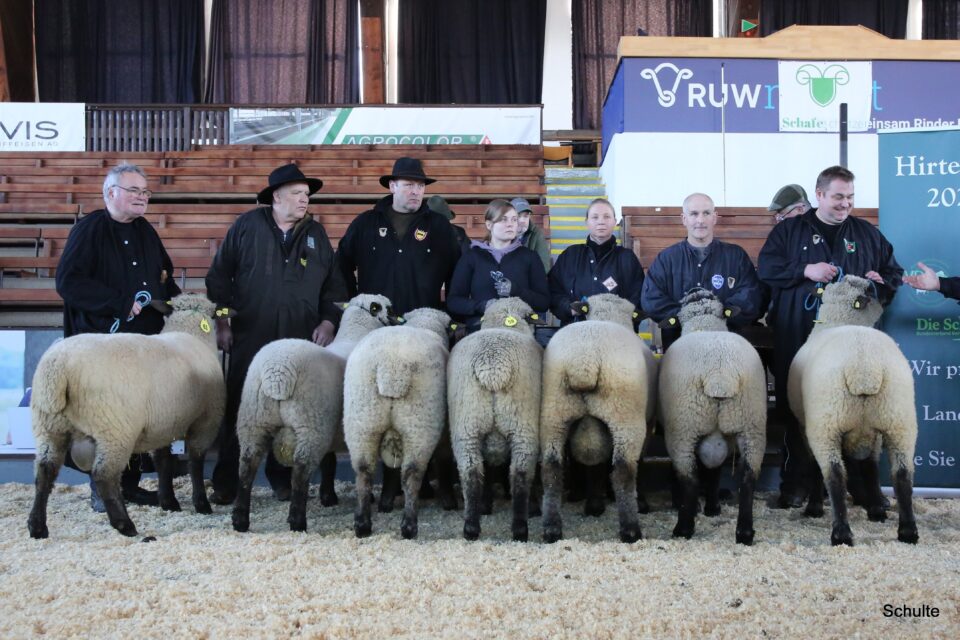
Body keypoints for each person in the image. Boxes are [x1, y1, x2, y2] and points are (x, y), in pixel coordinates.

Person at [758, 165, 903, 508]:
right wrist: (804, 270)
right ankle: (797, 487)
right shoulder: (789, 232)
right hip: (800, 338)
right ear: (819, 195)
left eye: (850, 197)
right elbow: (766, 269)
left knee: (857, 413)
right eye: (838, 196)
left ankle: (863, 489)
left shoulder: (868, 234)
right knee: (800, 409)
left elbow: (893, 274)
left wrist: (878, 284)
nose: (845, 204)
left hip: (853, 347)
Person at [206, 163, 348, 504]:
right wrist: (223, 319)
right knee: (242, 406)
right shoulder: (246, 226)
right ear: (276, 197)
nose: (304, 201)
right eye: (298, 194)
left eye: (307, 196)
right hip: (250, 333)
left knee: (292, 407)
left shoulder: (316, 235)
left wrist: (329, 321)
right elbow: (219, 276)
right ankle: (228, 482)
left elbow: (334, 286)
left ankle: (282, 478)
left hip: (299, 339)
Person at [55, 163, 181, 512]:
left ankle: (129, 485)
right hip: (102, 343)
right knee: (104, 417)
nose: (142, 197)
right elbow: (69, 282)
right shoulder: (90, 229)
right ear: (111, 193)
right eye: (134, 191)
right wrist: (118, 303)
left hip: (143, 345)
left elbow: (164, 278)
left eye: (145, 192)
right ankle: (103, 488)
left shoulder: (146, 231)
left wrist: (182, 308)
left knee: (136, 416)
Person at [336, 157, 461, 315]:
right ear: (392, 186)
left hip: (423, 324)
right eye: (409, 185)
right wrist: (354, 302)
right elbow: (341, 266)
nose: (416, 191)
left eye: (420, 185)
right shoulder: (365, 224)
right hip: (374, 323)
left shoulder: (440, 226)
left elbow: (457, 273)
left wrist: (453, 315)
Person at [641, 193, 764, 350]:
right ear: (684, 219)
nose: (700, 220)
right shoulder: (666, 259)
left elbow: (751, 295)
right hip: (679, 349)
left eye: (706, 213)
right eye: (694, 214)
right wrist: (686, 315)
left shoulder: (736, 256)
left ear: (715, 217)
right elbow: (651, 299)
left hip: (728, 348)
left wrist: (719, 313)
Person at [446, 199, 549, 332]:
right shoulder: (472, 257)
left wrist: (517, 291)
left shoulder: (530, 257)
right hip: (481, 331)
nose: (510, 225)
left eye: (514, 220)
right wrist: (482, 305)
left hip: (518, 333)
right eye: (503, 219)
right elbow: (454, 301)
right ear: (489, 225)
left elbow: (544, 303)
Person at [548, 198, 645, 327]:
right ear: (586, 222)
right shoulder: (570, 255)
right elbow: (553, 290)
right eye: (595, 217)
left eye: (606, 217)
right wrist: (568, 308)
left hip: (616, 332)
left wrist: (618, 316)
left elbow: (638, 297)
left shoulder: (627, 258)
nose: (601, 221)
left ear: (615, 222)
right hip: (574, 332)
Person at [510, 197, 551, 271]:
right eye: (518, 216)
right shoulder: (503, 233)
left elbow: (544, 266)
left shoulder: (537, 234)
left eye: (526, 216)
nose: (522, 220)